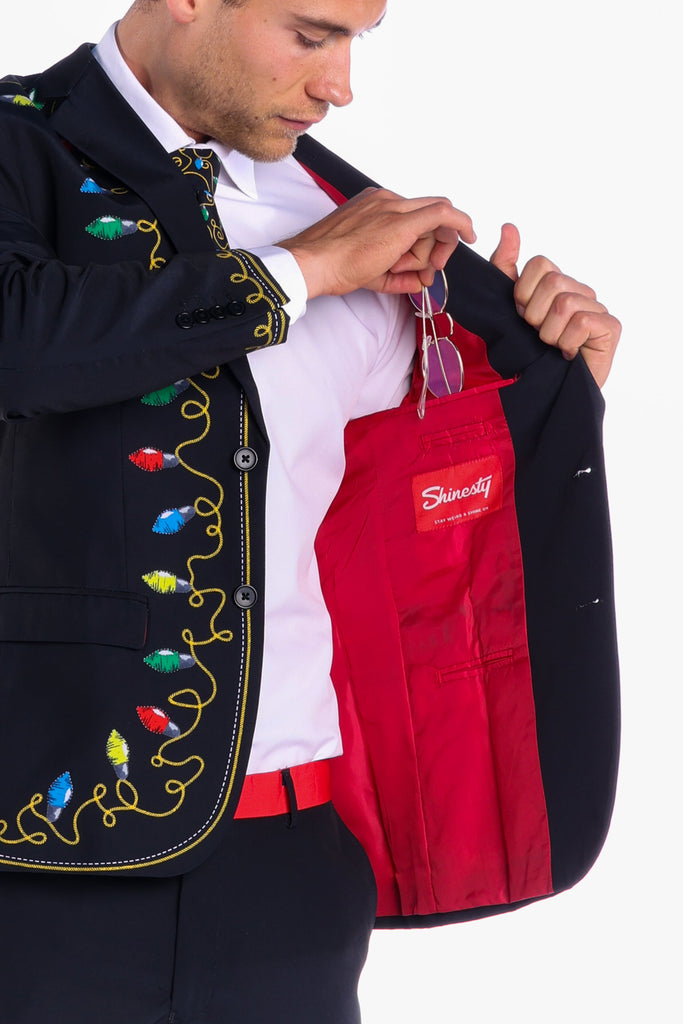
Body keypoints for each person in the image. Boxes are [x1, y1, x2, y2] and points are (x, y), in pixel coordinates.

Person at [0, 1, 621, 1022]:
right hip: (44, 864)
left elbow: (413, 497)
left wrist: (549, 389)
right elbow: (21, 341)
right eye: (309, 33)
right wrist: (301, 273)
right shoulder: (20, 146)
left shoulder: (344, 215)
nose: (339, 87)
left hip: (294, 868)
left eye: (354, 40)